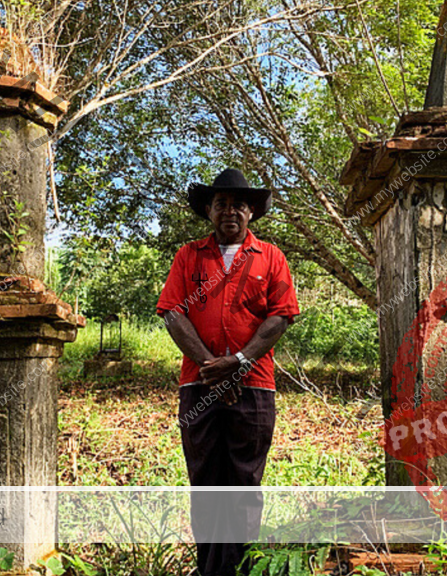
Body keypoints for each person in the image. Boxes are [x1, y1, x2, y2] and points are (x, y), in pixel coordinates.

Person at [156, 168, 300, 576]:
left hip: (253, 387)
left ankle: (240, 569)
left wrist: (238, 363)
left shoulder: (271, 257)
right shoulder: (188, 256)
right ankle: (209, 570)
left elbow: (281, 316)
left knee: (243, 481)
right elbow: (172, 312)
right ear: (209, 210)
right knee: (204, 479)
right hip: (198, 386)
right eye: (221, 203)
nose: (230, 211)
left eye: (238, 203)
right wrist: (213, 369)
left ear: (251, 211)